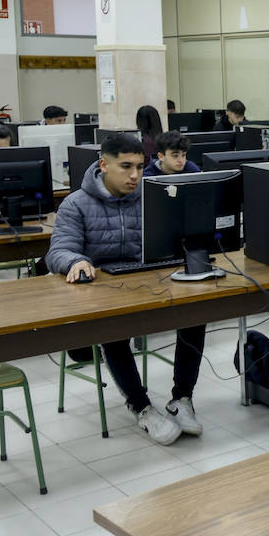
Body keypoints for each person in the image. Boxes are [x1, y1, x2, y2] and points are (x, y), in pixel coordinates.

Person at [45, 133, 211, 446]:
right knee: (115, 328)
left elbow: (176, 238)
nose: (135, 175)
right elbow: (58, 251)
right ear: (103, 165)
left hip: (148, 281)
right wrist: (75, 261)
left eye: (139, 166)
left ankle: (182, 399)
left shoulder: (153, 195)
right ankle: (141, 406)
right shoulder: (76, 204)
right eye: (126, 167)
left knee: (195, 313)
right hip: (103, 289)